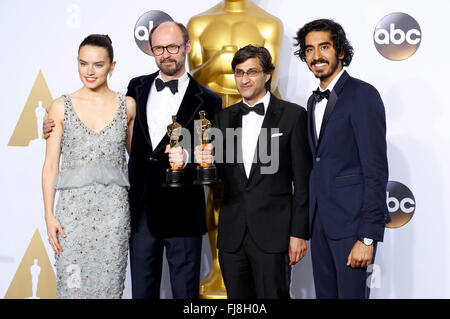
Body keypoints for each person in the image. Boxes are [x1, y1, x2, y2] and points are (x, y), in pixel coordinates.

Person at [195, 45, 311, 298]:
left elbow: (303, 183)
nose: (244, 79)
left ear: (267, 75)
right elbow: (217, 177)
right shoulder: (222, 119)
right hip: (232, 237)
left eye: (252, 72)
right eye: (239, 72)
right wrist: (204, 161)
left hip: (275, 236)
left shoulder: (292, 116)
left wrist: (299, 233)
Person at [293, 19, 389, 299]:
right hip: (321, 224)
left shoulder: (363, 95)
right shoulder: (312, 102)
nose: (316, 56)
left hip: (352, 227)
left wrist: (367, 237)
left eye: (324, 47)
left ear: (341, 52)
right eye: (309, 50)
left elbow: (375, 170)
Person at [125, 21, 221, 299]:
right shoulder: (136, 86)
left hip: (184, 212)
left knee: (185, 294)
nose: (166, 54)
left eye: (173, 47)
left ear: (187, 47)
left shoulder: (210, 101)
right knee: (142, 293)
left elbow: (212, 154)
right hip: (141, 210)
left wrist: (188, 158)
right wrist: (56, 123)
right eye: (158, 48)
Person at [42, 34, 136, 298]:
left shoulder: (127, 106)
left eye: (98, 64)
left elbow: (138, 160)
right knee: (71, 290)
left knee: (109, 291)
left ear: (112, 65)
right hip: (71, 219)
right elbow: (50, 166)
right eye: (84, 64)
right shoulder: (60, 107)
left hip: (113, 218)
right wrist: (49, 216)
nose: (90, 71)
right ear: (77, 63)